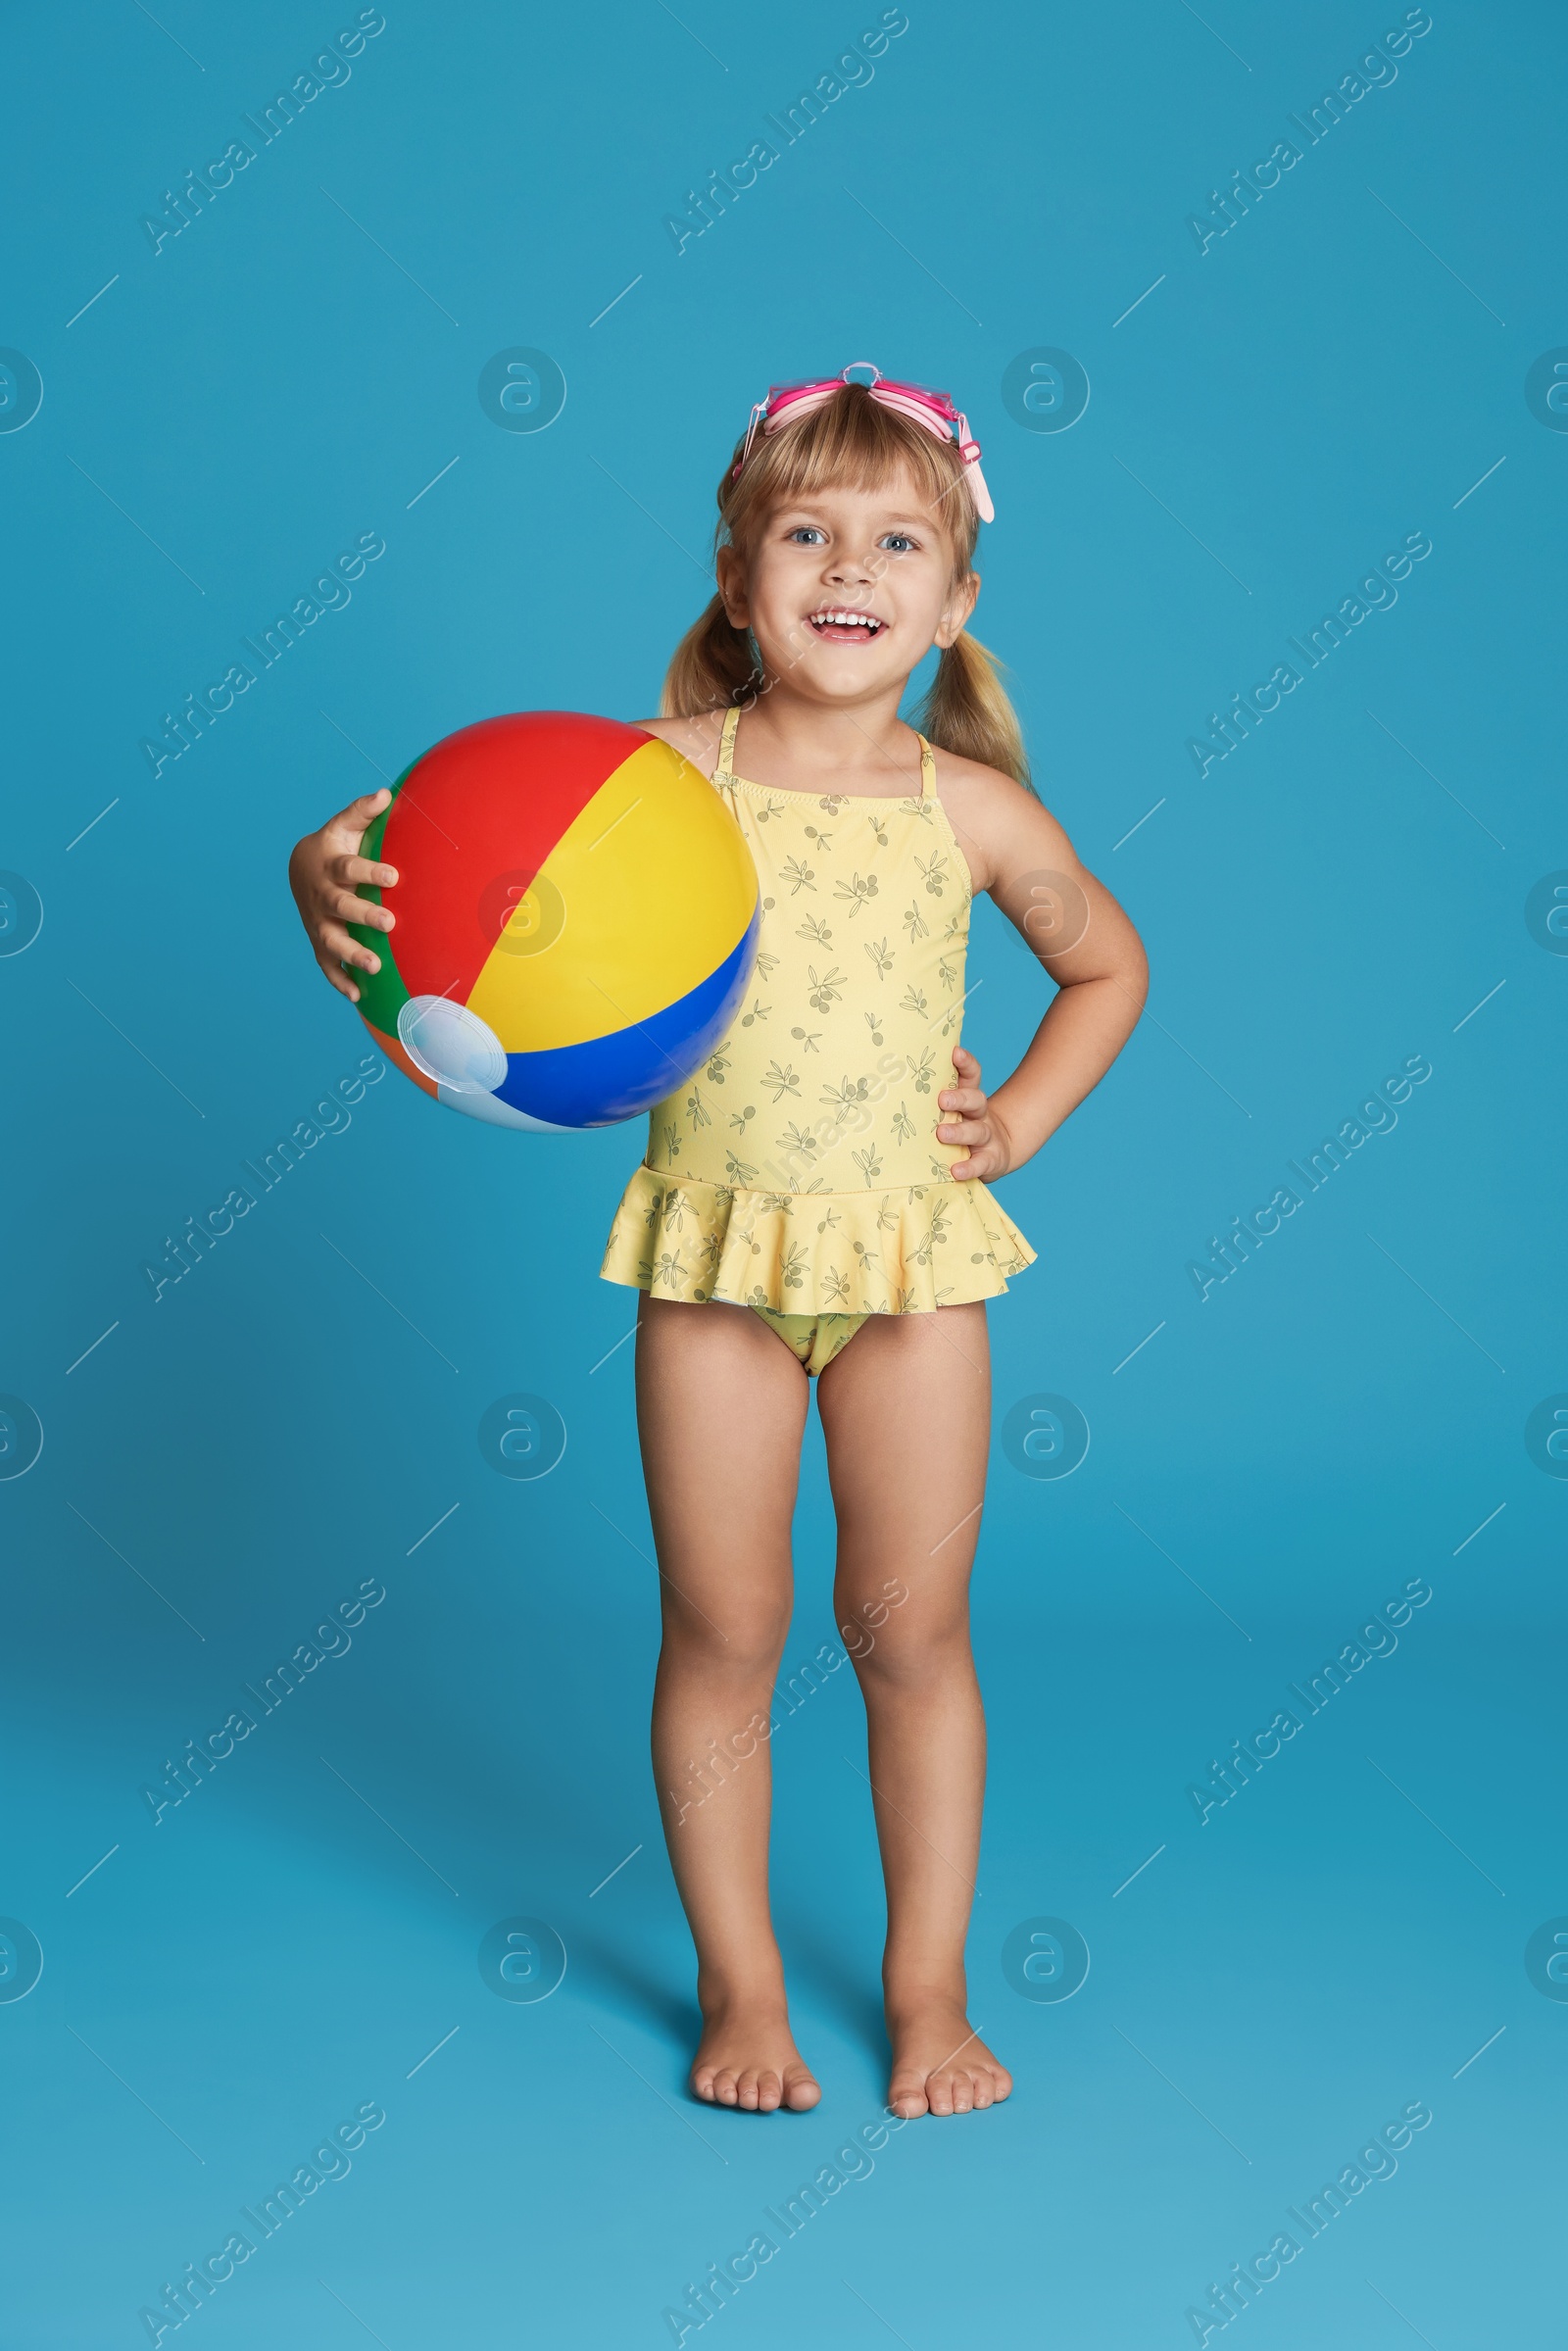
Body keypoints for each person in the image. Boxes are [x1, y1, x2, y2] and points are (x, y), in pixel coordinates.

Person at [288, 365, 1148, 2122]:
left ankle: (926, 1996)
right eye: (808, 530)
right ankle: (740, 1986)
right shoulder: (651, 782)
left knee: (914, 1637)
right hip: (715, 1279)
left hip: (914, 1275)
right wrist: (326, 874)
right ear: (740, 573)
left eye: (899, 538)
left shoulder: (967, 808)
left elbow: (1106, 965)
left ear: (955, 595)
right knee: (725, 1627)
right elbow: (416, 859)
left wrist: (1021, 1125)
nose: (852, 565)